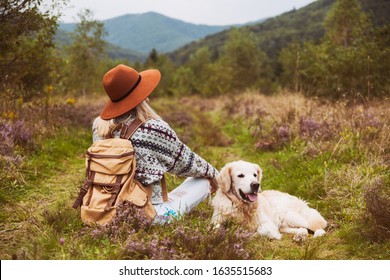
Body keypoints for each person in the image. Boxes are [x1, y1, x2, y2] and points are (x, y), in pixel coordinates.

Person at [92, 64, 218, 223]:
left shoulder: (99, 127)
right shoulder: (154, 128)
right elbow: (187, 164)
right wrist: (218, 177)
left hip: (105, 210)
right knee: (203, 180)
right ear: (141, 95)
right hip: (151, 215)